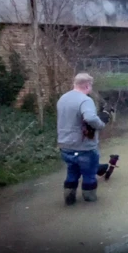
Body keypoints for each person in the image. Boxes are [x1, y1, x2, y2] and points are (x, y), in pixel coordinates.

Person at [56, 73, 106, 205]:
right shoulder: (85, 100)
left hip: (65, 146)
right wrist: (100, 125)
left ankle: (69, 199)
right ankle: (90, 202)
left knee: (72, 172)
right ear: (87, 85)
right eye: (90, 86)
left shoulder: (63, 98)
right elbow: (90, 118)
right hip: (83, 147)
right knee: (89, 175)